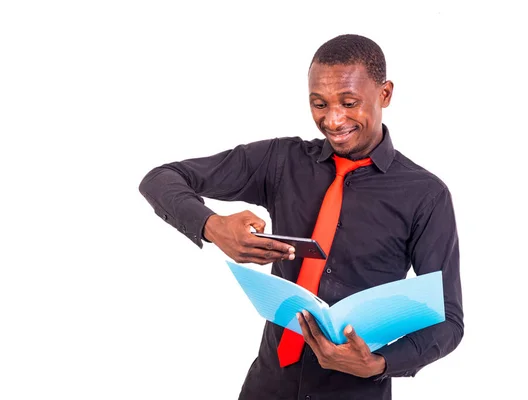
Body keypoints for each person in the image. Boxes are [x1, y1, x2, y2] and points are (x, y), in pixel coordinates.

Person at [139, 34, 463, 400]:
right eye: (319, 104)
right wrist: (212, 226)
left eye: (349, 102)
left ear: (385, 94)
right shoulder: (282, 161)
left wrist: (379, 363)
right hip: (267, 386)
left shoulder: (425, 194)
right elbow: (160, 179)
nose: (333, 119)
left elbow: (448, 319)